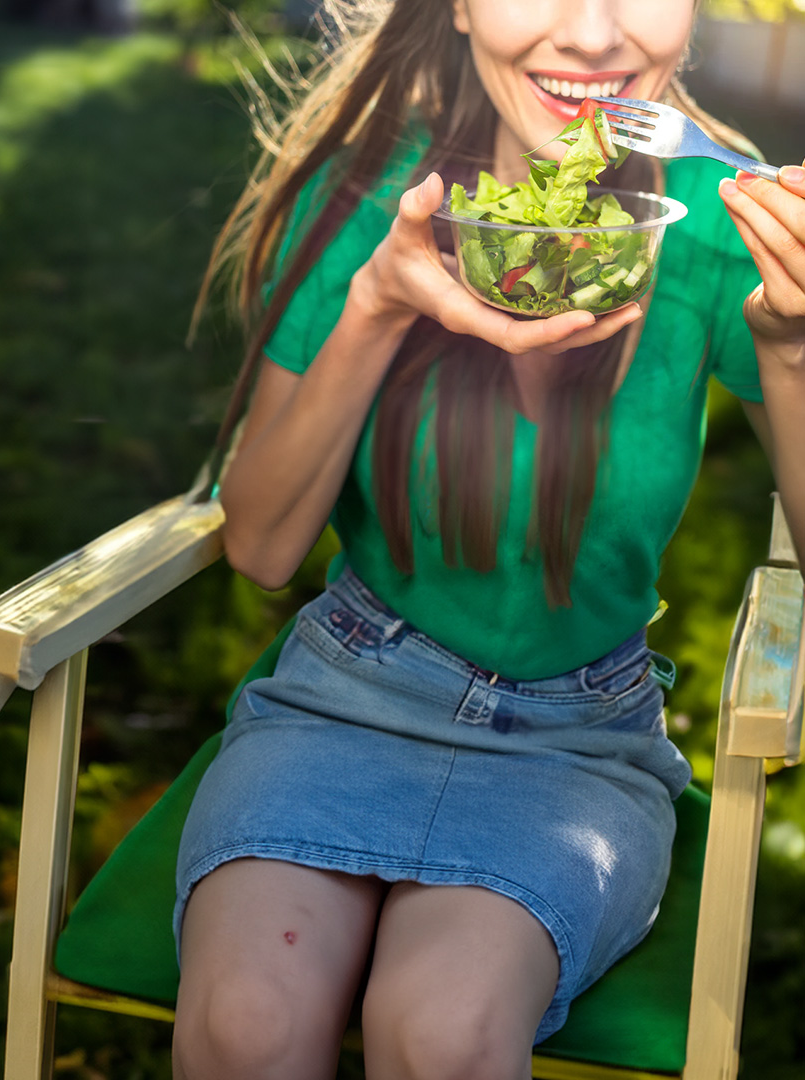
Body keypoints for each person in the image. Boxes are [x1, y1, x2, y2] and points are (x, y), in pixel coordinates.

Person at [171, 2, 805, 1077]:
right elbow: (263, 548)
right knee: (247, 1025)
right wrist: (378, 300)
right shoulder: (370, 198)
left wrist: (790, 347)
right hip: (343, 698)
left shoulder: (721, 219)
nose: (593, 35)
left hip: (580, 744)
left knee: (446, 1038)